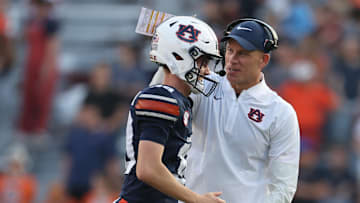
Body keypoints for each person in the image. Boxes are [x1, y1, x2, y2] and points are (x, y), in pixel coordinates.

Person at [184, 18, 300, 203]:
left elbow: (283, 188)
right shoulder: (201, 85)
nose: (232, 60)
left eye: (243, 54)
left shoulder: (281, 113)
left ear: (264, 59)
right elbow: (162, 96)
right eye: (230, 51)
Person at [113, 16, 225, 203]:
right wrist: (196, 199)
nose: (207, 71)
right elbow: (148, 169)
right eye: (202, 62)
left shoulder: (180, 100)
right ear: (179, 56)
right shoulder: (161, 97)